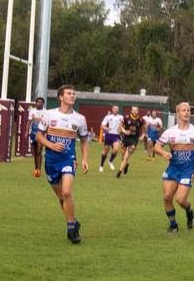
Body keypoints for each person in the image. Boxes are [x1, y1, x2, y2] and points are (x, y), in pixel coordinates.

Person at [36, 85, 89, 243]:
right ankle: (73, 221)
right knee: (61, 197)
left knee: (66, 192)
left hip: (68, 159)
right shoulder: (49, 114)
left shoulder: (80, 119)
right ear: (61, 97)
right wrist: (51, 145)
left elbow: (85, 140)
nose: (72, 96)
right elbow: (39, 136)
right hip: (51, 161)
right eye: (69, 93)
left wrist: (85, 159)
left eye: (74, 93)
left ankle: (71, 231)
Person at [154, 102, 194, 232]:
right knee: (167, 197)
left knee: (180, 199)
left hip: (188, 170)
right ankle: (173, 226)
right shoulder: (170, 132)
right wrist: (164, 152)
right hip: (173, 168)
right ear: (178, 113)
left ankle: (189, 212)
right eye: (183, 110)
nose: (186, 112)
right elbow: (156, 146)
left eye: (188, 110)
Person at [117, 106, 145, 178]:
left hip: (134, 140)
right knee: (123, 156)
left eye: (136, 110)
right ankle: (126, 165)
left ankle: (119, 172)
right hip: (125, 139)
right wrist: (124, 131)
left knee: (126, 157)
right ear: (131, 111)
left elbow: (145, 127)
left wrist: (143, 135)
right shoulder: (126, 118)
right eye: (134, 110)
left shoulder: (141, 120)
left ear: (138, 111)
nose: (135, 111)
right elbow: (120, 125)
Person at [99, 106, 123, 172]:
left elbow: (123, 125)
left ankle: (110, 161)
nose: (115, 110)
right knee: (105, 151)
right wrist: (106, 128)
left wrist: (121, 129)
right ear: (112, 110)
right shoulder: (108, 117)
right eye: (114, 109)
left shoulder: (121, 117)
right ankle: (101, 165)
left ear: (118, 110)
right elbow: (102, 125)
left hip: (116, 135)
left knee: (116, 149)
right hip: (109, 135)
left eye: (117, 109)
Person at [28, 97, 46, 177]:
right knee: (34, 152)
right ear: (36, 103)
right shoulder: (32, 111)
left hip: (41, 133)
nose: (39, 103)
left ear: (43, 103)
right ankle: (36, 168)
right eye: (38, 102)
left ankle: (39, 169)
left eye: (41, 102)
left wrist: (46, 133)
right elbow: (29, 122)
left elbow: (47, 123)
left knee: (39, 151)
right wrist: (26, 131)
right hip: (33, 133)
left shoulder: (46, 112)